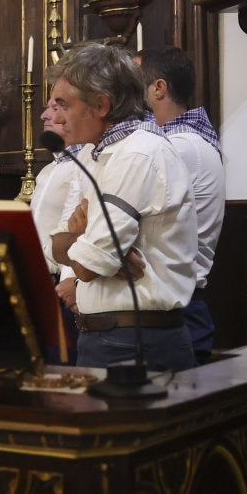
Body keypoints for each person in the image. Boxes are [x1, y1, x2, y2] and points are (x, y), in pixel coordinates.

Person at [48, 44, 198, 372]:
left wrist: (82, 246)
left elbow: (88, 266)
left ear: (100, 105)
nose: (56, 117)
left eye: (63, 104)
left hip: (136, 341)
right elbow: (57, 244)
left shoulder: (137, 155)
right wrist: (78, 243)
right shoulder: (98, 155)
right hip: (109, 336)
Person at [141, 47, 226, 363]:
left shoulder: (178, 147)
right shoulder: (187, 141)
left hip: (176, 309)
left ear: (158, 88)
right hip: (180, 302)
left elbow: (133, 216)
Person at [30, 96, 87, 361]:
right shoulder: (48, 171)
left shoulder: (83, 165)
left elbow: (76, 226)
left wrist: (70, 278)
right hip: (39, 278)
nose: (44, 115)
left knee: (64, 362)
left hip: (62, 282)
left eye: (54, 108)